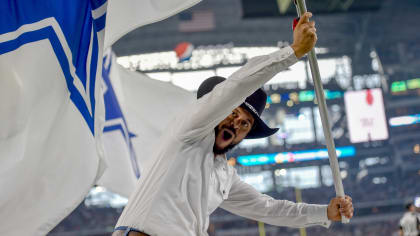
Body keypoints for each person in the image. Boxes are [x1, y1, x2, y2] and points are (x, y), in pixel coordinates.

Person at [113, 12, 354, 236]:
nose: (239, 123)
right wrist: (292, 52)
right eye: (234, 112)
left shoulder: (224, 176)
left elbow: (269, 209)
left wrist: (324, 212)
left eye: (247, 124)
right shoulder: (191, 129)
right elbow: (237, 85)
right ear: (217, 108)